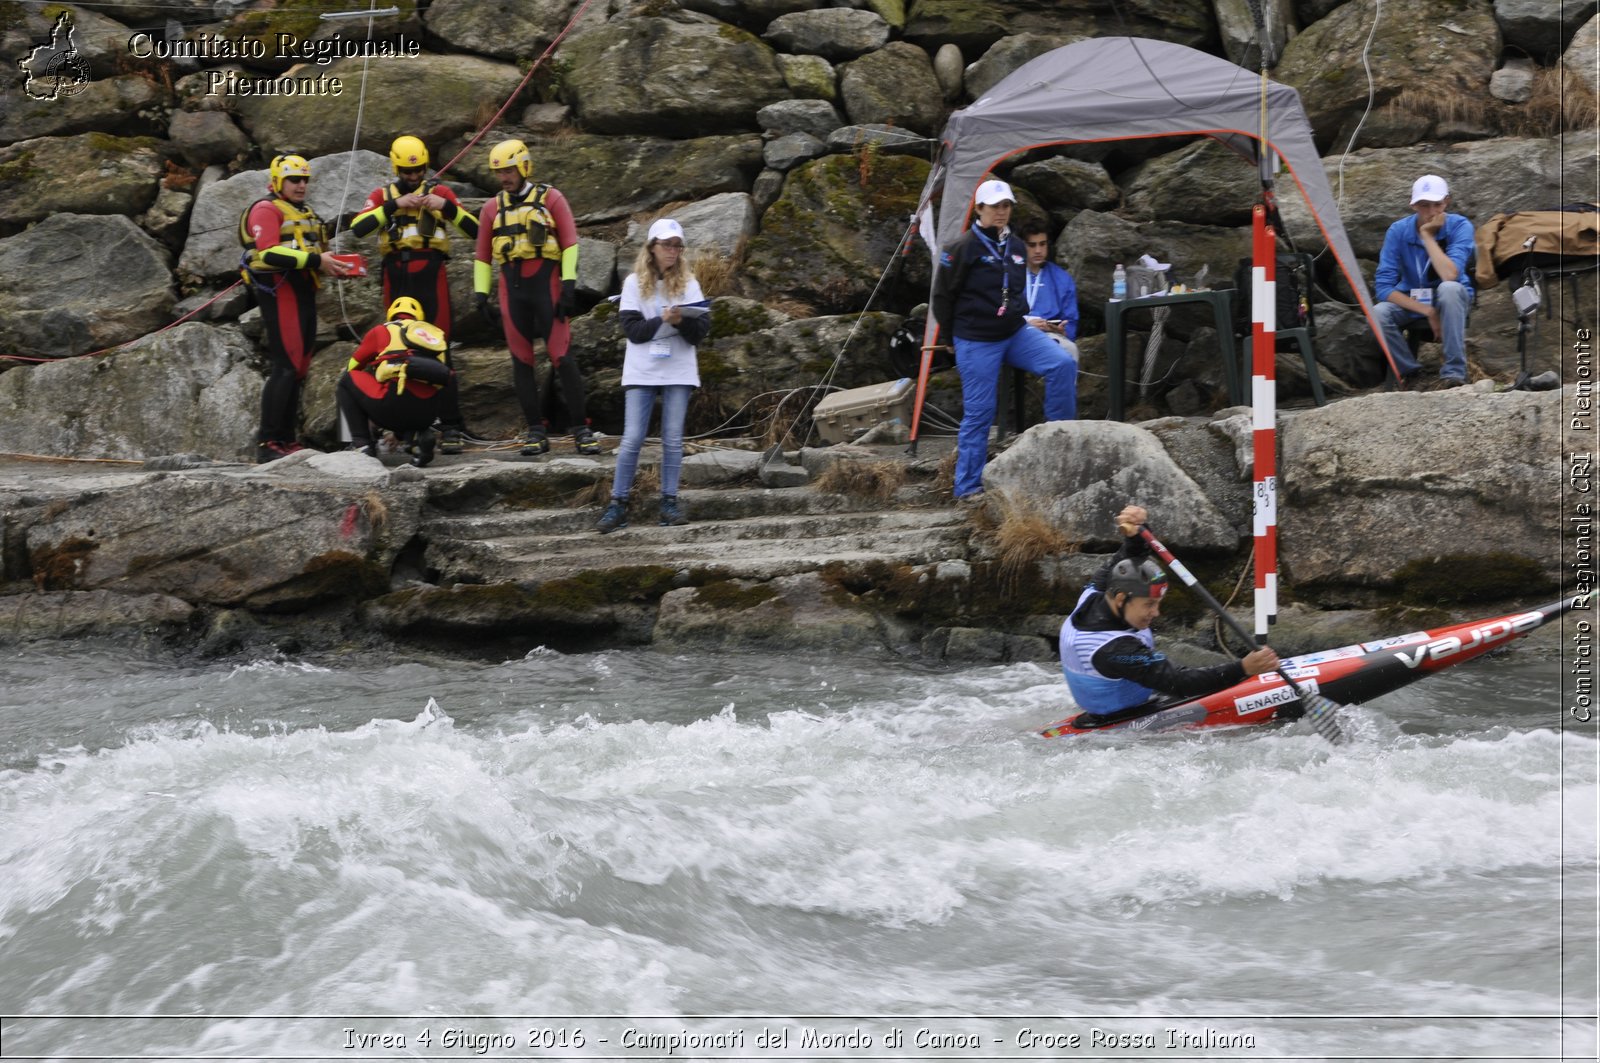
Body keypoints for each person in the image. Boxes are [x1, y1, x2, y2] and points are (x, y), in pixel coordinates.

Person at [1059, 504, 1282, 727]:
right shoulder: (1115, 650)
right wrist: (1243, 668)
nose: (1156, 613)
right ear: (1120, 599)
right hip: (1122, 724)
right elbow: (1179, 682)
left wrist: (1137, 531)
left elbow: (1127, 558)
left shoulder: (1095, 592)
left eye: (1157, 603)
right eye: (1149, 604)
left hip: (1126, 699)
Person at [931, 180, 1078, 500]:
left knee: (1062, 363)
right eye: (995, 206)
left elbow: (1014, 290)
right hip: (975, 338)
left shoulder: (1014, 245)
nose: (1001, 212)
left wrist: (1027, 319)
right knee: (980, 410)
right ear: (979, 209)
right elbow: (942, 297)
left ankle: (1060, 451)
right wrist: (949, 336)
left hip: (1014, 331)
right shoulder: (960, 248)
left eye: (1006, 206)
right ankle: (967, 487)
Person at [472, 138, 600, 456]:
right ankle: (534, 431)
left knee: (562, 357)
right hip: (511, 291)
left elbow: (570, 243)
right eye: (500, 172)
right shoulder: (491, 209)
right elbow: (482, 256)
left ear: (525, 166)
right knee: (521, 361)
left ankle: (581, 429)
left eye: (511, 170)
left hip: (547, 287)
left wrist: (569, 287)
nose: (505, 177)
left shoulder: (551, 198)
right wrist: (480, 296)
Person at [349, 135, 477, 453]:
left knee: (440, 348)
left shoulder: (441, 192)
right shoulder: (382, 195)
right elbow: (359, 227)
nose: (413, 176)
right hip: (396, 275)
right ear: (396, 168)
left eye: (418, 170)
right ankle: (405, 428)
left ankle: (450, 426)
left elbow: (475, 229)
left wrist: (445, 207)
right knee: (397, 351)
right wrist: (395, 205)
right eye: (407, 172)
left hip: (431, 274)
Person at [239, 153, 358, 463]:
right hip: (280, 290)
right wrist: (318, 260)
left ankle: (287, 439)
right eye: (294, 179)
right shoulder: (266, 208)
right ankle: (268, 442)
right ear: (278, 181)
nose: (301, 185)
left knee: (299, 367)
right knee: (286, 366)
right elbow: (269, 252)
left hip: (303, 290)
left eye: (305, 179)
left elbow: (313, 252)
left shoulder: (305, 212)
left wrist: (333, 265)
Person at [596, 219, 713, 533]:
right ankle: (617, 504)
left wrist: (679, 322)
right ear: (652, 248)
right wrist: (663, 318)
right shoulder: (634, 283)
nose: (672, 251)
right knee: (632, 438)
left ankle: (669, 503)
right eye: (666, 244)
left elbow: (699, 333)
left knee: (673, 440)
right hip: (642, 369)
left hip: (678, 368)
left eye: (677, 245)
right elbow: (633, 332)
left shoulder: (689, 283)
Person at [1373, 174, 1475, 390]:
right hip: (1413, 302)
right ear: (1413, 206)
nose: (1431, 212)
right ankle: (1410, 374)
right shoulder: (1398, 231)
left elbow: (1450, 275)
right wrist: (1428, 311)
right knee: (1378, 312)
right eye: (1424, 205)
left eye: (1437, 204)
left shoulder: (1459, 226)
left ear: (1446, 201)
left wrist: (1427, 236)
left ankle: (1455, 374)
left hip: (1451, 300)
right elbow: (1383, 287)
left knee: (1448, 289)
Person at [336, 297, 458, 468]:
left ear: (391, 315)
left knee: (347, 381)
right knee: (415, 390)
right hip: (428, 414)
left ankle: (362, 444)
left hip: (393, 407)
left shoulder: (381, 330)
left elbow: (353, 365)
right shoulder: (435, 335)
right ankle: (416, 438)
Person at [1017, 218, 1079, 358]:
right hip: (1016, 333)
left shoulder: (1062, 278)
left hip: (1051, 336)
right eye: (1032, 245)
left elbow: (1071, 320)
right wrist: (1026, 323)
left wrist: (1062, 331)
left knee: (1070, 349)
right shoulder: (1010, 274)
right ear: (1021, 246)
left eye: (1042, 244)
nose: (1038, 250)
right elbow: (1001, 311)